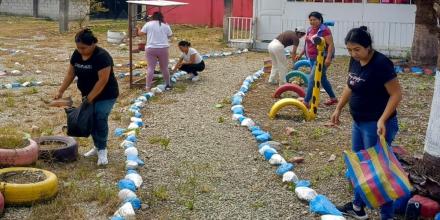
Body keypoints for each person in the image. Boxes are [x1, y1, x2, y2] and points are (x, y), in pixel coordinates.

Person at [331, 26, 402, 220]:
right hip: (358, 122)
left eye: (357, 50)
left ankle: (387, 216)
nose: (353, 54)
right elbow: (349, 85)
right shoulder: (355, 62)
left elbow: (396, 94)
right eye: (349, 50)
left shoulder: (381, 64)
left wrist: (382, 118)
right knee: (360, 167)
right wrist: (338, 108)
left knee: (378, 170)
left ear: (368, 47)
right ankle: (358, 207)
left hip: (377, 126)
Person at [55, 28, 119, 166]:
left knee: (100, 117)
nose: (80, 50)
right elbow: (70, 74)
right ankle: (97, 147)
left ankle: (102, 150)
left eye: (83, 48)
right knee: (91, 119)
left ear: (92, 44)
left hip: (106, 94)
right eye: (78, 47)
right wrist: (61, 91)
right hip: (87, 94)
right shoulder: (77, 55)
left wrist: (90, 98)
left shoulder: (102, 56)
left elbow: (102, 81)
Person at [296, 11, 338, 107]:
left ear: (320, 20)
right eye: (311, 20)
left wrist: (328, 58)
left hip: (321, 58)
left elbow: (331, 44)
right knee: (322, 79)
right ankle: (333, 98)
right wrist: (301, 53)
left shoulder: (325, 30)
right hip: (312, 58)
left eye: (314, 19)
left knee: (312, 78)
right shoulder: (310, 29)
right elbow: (308, 43)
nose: (312, 21)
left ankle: (306, 102)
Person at [136, 11, 173, 91]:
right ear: (161, 17)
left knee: (150, 68)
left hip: (150, 48)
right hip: (163, 48)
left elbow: (140, 34)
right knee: (164, 68)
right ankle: (168, 84)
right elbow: (170, 35)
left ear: (152, 17)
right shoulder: (165, 25)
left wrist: (138, 28)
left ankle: (147, 87)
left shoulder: (148, 24)